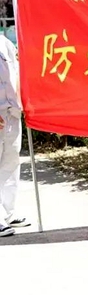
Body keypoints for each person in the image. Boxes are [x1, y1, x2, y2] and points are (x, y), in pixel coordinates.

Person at [0, 34, 29, 237]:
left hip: (11, 113)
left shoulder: (4, 41)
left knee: (10, 163)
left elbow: (17, 71)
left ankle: (7, 213)